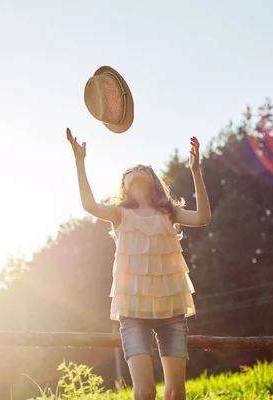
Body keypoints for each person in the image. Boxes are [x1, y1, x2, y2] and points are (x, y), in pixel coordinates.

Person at [66, 127, 211, 400]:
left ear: (153, 180)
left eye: (142, 167)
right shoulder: (120, 214)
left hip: (171, 310)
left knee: (176, 392)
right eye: (129, 170)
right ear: (125, 184)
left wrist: (195, 171)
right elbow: (88, 204)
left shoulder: (169, 212)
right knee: (145, 392)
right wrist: (79, 162)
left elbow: (203, 217)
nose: (135, 169)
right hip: (133, 313)